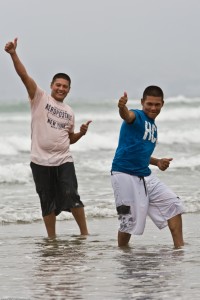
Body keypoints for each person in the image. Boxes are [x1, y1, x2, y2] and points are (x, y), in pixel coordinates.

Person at [5, 38, 92, 238]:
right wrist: (13, 54)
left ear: (69, 90)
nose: (61, 89)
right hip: (40, 161)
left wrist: (81, 133)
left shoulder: (69, 111)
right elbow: (24, 75)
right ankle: (52, 239)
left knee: (72, 194)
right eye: (58, 85)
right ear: (51, 85)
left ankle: (85, 235)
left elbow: (69, 139)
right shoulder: (40, 98)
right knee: (47, 201)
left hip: (63, 160)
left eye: (65, 86)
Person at [111, 86, 184, 248]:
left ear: (162, 104)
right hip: (124, 174)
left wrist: (157, 162)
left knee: (174, 205)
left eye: (157, 105)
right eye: (149, 104)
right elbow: (127, 116)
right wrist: (122, 107)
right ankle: (123, 253)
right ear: (142, 102)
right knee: (128, 221)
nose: (153, 108)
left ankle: (180, 250)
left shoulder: (153, 126)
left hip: (145, 175)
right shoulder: (137, 116)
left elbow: (140, 153)